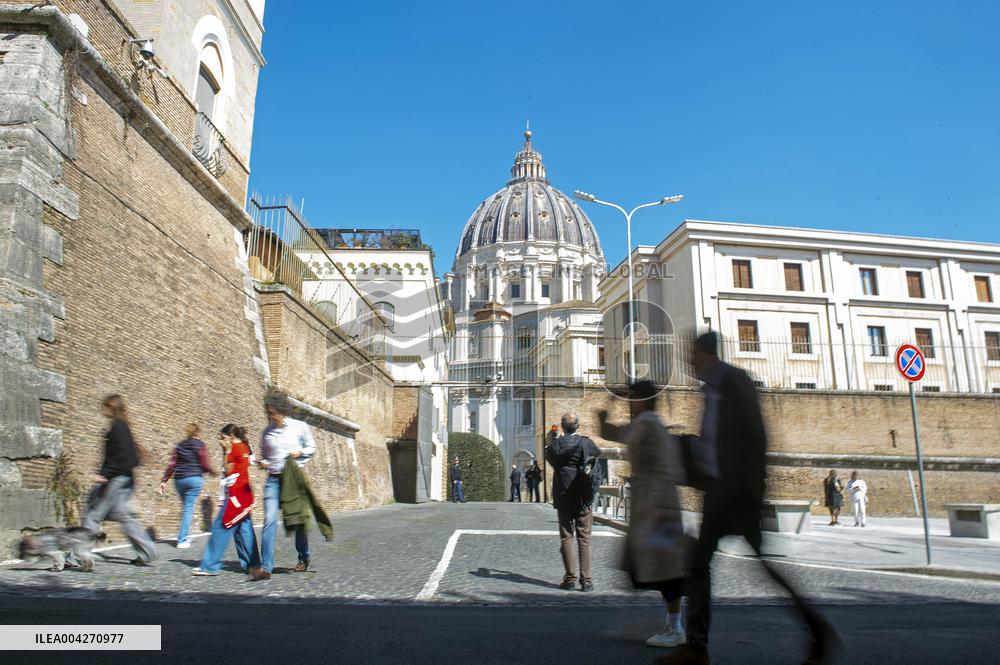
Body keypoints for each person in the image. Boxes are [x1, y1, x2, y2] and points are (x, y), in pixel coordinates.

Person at [658, 332, 835, 665]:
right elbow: (714, 442)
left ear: (703, 352)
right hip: (719, 492)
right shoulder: (710, 388)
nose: (687, 361)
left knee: (744, 566)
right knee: (701, 565)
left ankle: (816, 629)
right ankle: (696, 647)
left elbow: (756, 437)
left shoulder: (734, 381)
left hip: (737, 493)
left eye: (690, 354)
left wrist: (748, 486)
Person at [598, 381, 689, 649]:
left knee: (667, 570)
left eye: (633, 398)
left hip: (659, 506)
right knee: (658, 568)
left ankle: (676, 627)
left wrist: (659, 509)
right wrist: (613, 401)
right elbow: (606, 429)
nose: (629, 403)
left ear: (644, 401)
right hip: (651, 505)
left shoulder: (649, 424)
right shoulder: (644, 423)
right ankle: (674, 624)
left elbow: (665, 467)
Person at [81, 395, 157, 566]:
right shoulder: (124, 426)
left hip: (115, 478)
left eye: (104, 407)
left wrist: (105, 474)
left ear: (111, 407)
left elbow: (121, 455)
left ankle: (79, 555)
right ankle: (147, 552)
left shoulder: (117, 427)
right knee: (125, 516)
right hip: (125, 477)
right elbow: (129, 456)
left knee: (93, 515)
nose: (102, 411)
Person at [251, 394, 317, 581]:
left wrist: (300, 452)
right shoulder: (266, 433)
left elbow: (311, 448)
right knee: (269, 520)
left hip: (293, 479)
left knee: (297, 523)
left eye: (273, 412)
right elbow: (265, 456)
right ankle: (266, 568)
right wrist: (263, 462)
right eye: (268, 413)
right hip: (273, 480)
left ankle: (304, 556)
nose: (270, 416)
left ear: (282, 410)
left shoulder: (299, 427)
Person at [193, 424, 261, 576]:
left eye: (222, 437)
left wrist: (226, 450)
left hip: (236, 493)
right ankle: (253, 564)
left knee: (221, 527)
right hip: (243, 492)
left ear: (230, 436)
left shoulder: (234, 449)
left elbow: (229, 470)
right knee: (244, 529)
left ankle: (210, 565)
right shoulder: (244, 446)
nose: (220, 440)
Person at [545, 412, 601, 591]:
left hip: (563, 495)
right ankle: (587, 580)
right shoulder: (586, 443)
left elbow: (551, 459)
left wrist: (550, 440)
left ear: (562, 427)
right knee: (584, 538)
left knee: (566, 537)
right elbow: (596, 456)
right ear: (577, 426)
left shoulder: (556, 445)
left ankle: (569, 579)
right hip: (582, 494)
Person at [158, 423, 216, 548]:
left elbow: (172, 464)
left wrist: (164, 480)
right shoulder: (200, 445)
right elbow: (204, 463)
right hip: (194, 479)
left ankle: (184, 535)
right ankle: (182, 540)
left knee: (186, 508)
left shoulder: (179, 445)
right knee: (188, 509)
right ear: (197, 433)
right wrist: (211, 472)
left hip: (179, 480)